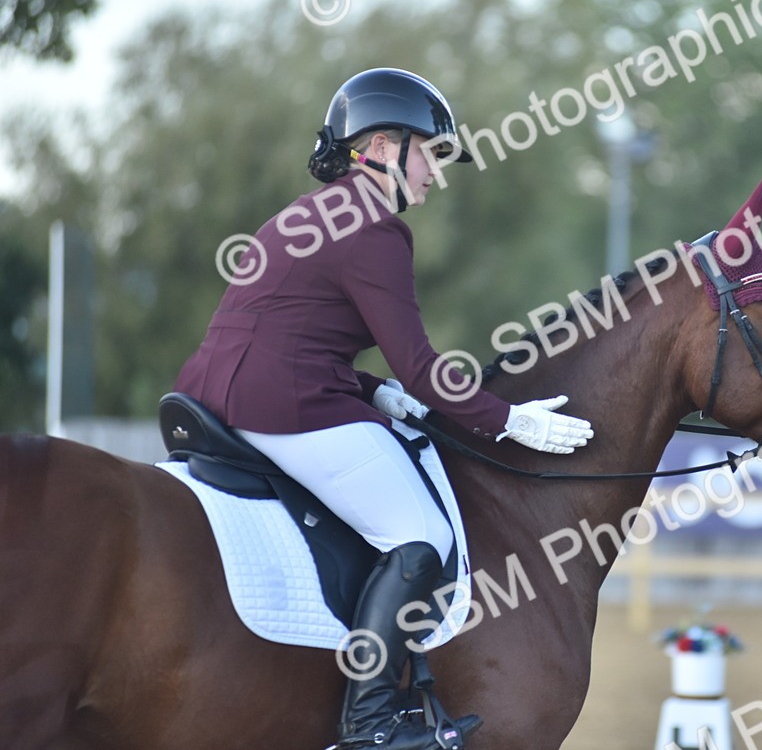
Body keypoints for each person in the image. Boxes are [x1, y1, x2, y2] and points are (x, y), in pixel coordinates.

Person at [174, 68, 593, 750]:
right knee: (419, 535)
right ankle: (369, 720)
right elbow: (422, 367)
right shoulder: (374, 226)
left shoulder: (308, 213)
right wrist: (512, 421)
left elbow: (292, 333)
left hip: (218, 392)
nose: (436, 173)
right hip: (282, 403)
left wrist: (376, 393)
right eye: (430, 153)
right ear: (380, 146)